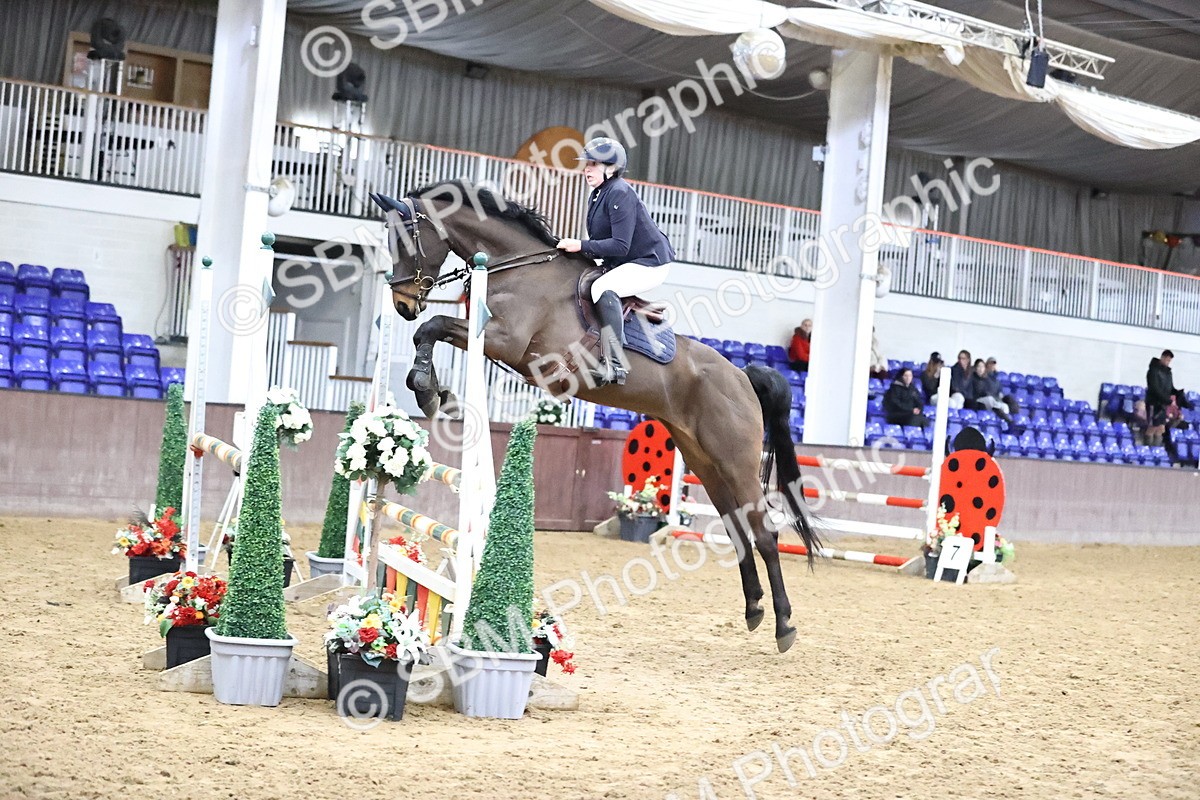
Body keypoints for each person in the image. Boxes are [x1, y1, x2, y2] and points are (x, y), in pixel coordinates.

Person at [556, 137, 676, 387]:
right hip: (626, 260)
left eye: (593, 164)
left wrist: (580, 245)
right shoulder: (598, 194)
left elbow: (620, 245)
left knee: (602, 287)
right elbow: (602, 243)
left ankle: (615, 363)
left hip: (650, 262)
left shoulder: (620, 192)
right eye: (586, 164)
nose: (587, 169)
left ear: (611, 168)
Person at [1146, 349, 1193, 447]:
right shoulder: (1153, 371)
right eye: (1167, 360)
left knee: (1160, 428)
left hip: (1163, 404)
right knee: (1152, 427)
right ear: (1162, 357)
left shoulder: (1168, 373)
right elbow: (1154, 388)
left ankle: (1156, 449)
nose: (1168, 362)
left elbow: (1170, 388)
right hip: (1154, 403)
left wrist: (1177, 393)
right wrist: (1168, 400)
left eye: (1169, 361)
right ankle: (1148, 447)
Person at [970, 358, 1014, 425]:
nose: (980, 369)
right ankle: (1003, 416)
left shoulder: (987, 379)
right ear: (975, 368)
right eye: (979, 366)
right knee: (989, 399)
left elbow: (993, 391)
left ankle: (1005, 423)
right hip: (977, 400)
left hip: (990, 400)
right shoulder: (972, 378)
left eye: (982, 367)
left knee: (1004, 406)